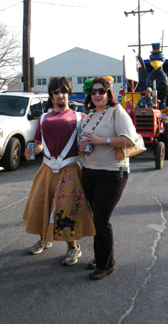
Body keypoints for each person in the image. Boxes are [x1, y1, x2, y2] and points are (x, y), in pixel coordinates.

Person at [23, 76, 95, 266]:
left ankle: (73, 248)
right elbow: (38, 144)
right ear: (51, 96)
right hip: (46, 169)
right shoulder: (44, 118)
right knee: (41, 206)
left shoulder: (80, 118)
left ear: (69, 93)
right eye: (56, 92)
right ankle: (45, 239)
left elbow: (88, 144)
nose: (60, 95)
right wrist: (32, 150)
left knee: (67, 210)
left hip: (69, 170)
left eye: (63, 91)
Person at [79, 76, 141, 280]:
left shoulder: (117, 112)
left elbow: (129, 140)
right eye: (93, 91)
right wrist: (82, 147)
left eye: (101, 91)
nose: (97, 95)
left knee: (102, 218)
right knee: (96, 218)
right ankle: (100, 257)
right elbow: (85, 140)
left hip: (113, 173)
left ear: (108, 93)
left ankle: (107, 264)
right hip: (89, 172)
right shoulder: (89, 116)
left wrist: (101, 140)